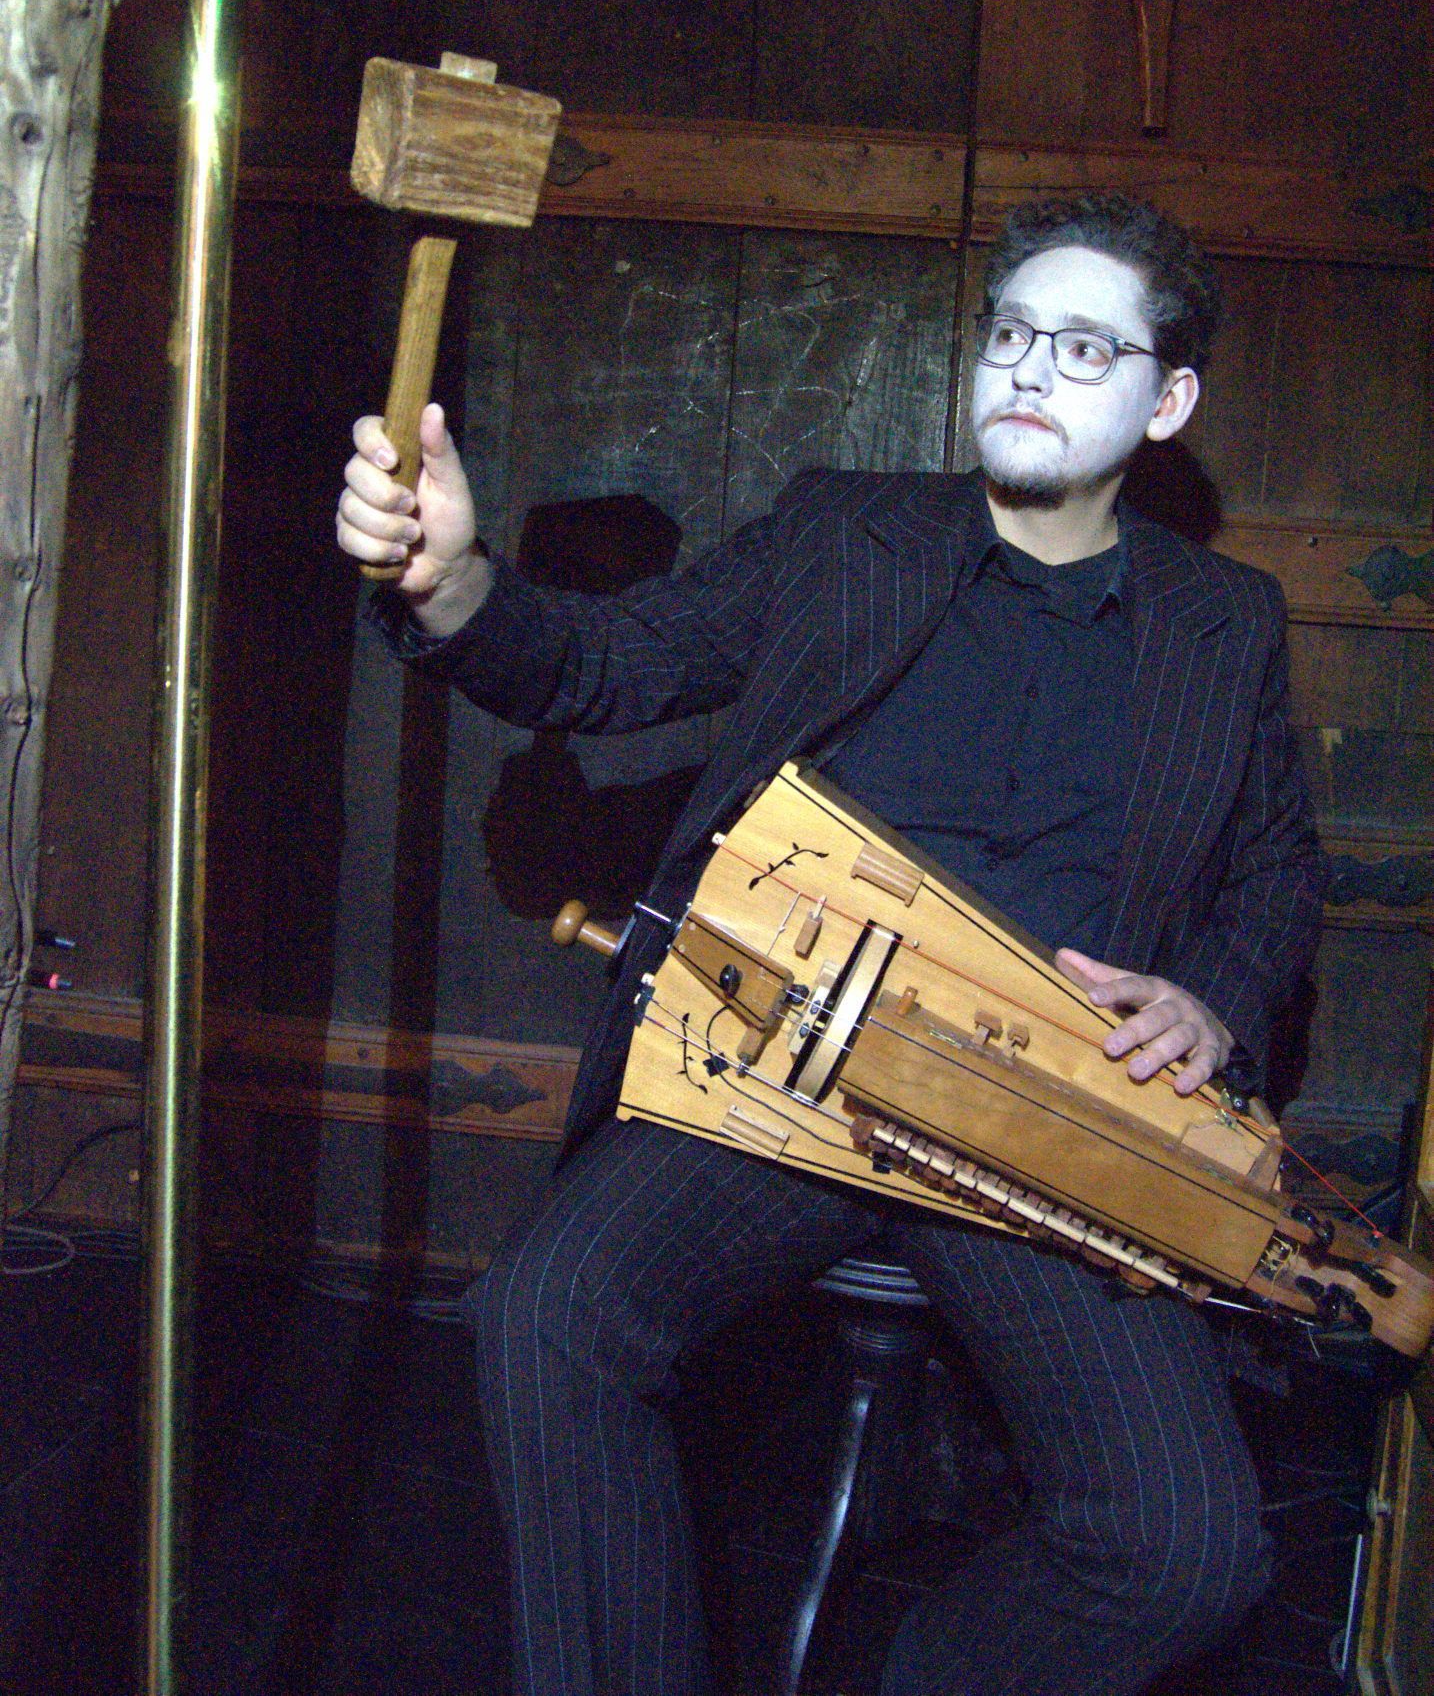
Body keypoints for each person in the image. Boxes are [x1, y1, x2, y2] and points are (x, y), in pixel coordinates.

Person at [337, 193, 1325, 1696]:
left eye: (1082, 348)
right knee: (548, 1315)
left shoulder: (1223, 621)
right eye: (1011, 334)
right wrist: (455, 580)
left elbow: (1275, 868)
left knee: (1183, 1552)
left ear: (1167, 402)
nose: (1028, 370)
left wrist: (1214, 1000)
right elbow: (608, 663)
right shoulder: (846, 530)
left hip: (1040, 1116)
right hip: (784, 1066)